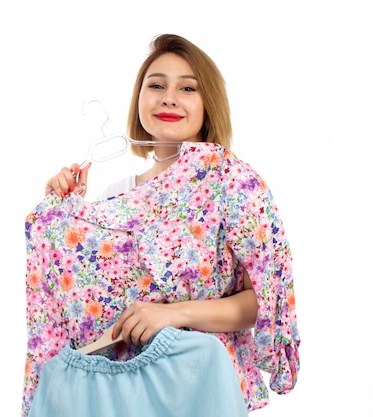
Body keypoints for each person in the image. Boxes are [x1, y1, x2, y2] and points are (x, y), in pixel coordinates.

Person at [23, 33, 300, 416]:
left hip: (200, 388)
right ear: (139, 99)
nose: (168, 97)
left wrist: (173, 314)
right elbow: (91, 314)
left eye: (187, 88)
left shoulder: (230, 182)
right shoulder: (115, 197)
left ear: (208, 105)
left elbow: (264, 302)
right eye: (156, 85)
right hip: (120, 395)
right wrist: (68, 215)